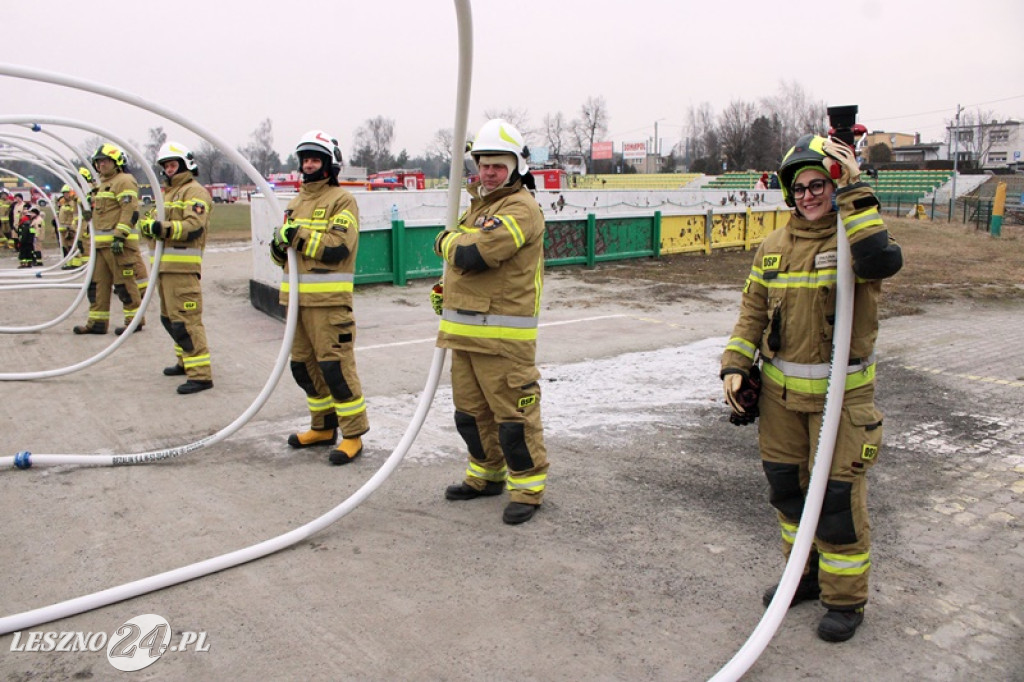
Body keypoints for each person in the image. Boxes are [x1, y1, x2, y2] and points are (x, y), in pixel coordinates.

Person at [720, 133, 903, 642]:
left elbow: (877, 261)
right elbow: (752, 309)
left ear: (833, 184)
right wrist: (736, 363)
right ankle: (802, 573)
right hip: (780, 402)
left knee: (838, 503)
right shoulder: (774, 246)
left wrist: (855, 187)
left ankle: (845, 599)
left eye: (818, 183)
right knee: (788, 492)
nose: (807, 195)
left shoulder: (854, 236)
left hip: (840, 403)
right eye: (798, 187)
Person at [433, 118, 549, 525]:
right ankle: (485, 476)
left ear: (517, 167)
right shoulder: (480, 207)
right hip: (465, 335)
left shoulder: (520, 208)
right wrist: (446, 291)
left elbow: (473, 255)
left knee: (514, 421)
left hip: (503, 341)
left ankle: (528, 489)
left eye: (498, 165)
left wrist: (444, 241)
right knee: (470, 416)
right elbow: (465, 263)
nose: (489, 172)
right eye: (483, 164)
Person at [270, 130, 369, 465]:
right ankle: (322, 428)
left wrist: (295, 235)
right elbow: (282, 257)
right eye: (305, 159)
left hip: (329, 304)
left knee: (336, 369)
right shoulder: (294, 203)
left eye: (316, 159)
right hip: (296, 303)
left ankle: (353, 435)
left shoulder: (342, 201)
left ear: (330, 164)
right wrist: (278, 244)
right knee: (303, 368)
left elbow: (337, 247)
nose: (309, 164)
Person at [141, 141, 214, 395]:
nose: (169, 170)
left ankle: (201, 374)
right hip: (164, 269)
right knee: (169, 319)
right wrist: (148, 226)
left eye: (173, 164)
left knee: (186, 322)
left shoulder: (194, 192)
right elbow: (150, 221)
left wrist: (162, 229)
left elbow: (194, 226)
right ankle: (185, 362)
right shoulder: (167, 193)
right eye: (166, 166)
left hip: (182, 270)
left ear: (185, 165)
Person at [72, 144, 143, 335]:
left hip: (118, 245)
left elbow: (130, 211)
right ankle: (97, 322)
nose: (101, 165)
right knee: (97, 286)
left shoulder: (124, 181)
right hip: (101, 246)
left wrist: (120, 236)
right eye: (98, 162)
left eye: (105, 161)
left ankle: (134, 320)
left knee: (124, 285)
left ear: (116, 162)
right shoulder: (102, 184)